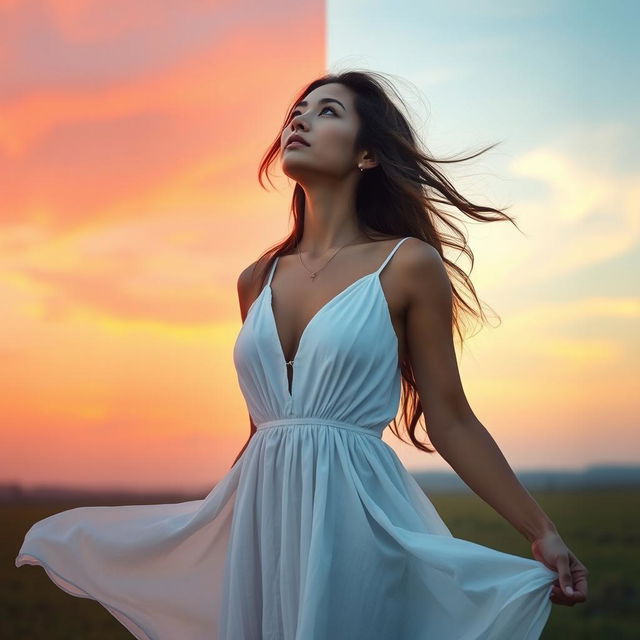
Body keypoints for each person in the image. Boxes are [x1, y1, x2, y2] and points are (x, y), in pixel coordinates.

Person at [16, 70, 588, 639]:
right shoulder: (255, 280)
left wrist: (541, 531)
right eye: (297, 112)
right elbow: (262, 428)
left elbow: (450, 417)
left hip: (355, 517)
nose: (300, 120)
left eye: (328, 112)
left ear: (367, 154)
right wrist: (210, 526)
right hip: (263, 523)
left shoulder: (408, 264)